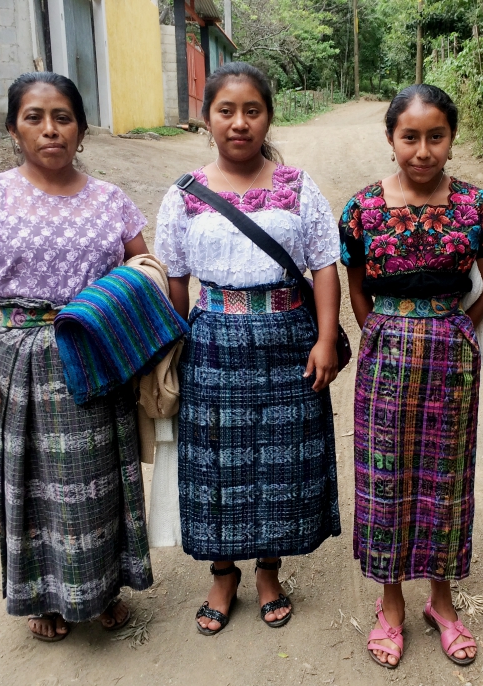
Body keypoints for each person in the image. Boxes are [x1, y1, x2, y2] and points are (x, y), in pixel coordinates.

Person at [0, 72, 153, 642]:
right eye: (34, 117)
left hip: (94, 353)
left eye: (63, 117)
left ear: (82, 129)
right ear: (14, 128)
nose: (50, 129)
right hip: (23, 356)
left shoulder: (111, 201)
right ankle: (44, 594)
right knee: (33, 481)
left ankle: (105, 586)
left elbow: (146, 275)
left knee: (99, 478)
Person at [153, 62, 342, 636]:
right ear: (206, 118)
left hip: (289, 341)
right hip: (212, 343)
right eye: (225, 111)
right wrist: (173, 354)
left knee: (281, 459)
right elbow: (177, 282)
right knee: (216, 461)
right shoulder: (185, 195)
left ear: (268, 116)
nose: (239, 123)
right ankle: (221, 572)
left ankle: (267, 570)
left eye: (251, 111)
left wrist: (327, 338)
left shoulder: (297, 187)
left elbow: (325, 264)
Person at [339, 84, 483, 669]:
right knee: (384, 475)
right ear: (391, 140)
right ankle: (390, 605)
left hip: (451, 353)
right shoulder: (362, 209)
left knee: (446, 478)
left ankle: (442, 602)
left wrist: (461, 327)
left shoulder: (478, 208)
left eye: (436, 136)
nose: (423, 149)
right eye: (410, 137)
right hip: (386, 351)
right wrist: (375, 328)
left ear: (451, 140)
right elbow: (355, 280)